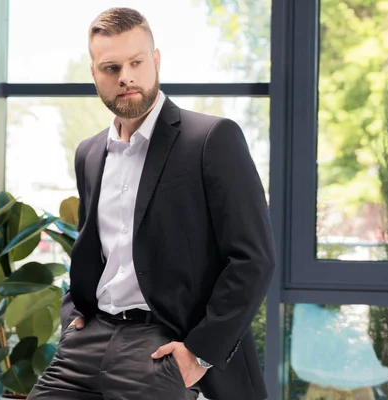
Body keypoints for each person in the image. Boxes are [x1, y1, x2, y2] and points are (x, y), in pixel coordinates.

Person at [27, 7, 275, 400]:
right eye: (110, 67)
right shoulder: (89, 153)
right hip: (87, 342)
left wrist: (198, 353)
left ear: (155, 61)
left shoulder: (211, 139)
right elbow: (92, 247)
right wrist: (72, 314)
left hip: (161, 345)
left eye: (136, 62)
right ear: (95, 74)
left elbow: (254, 259)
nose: (125, 76)